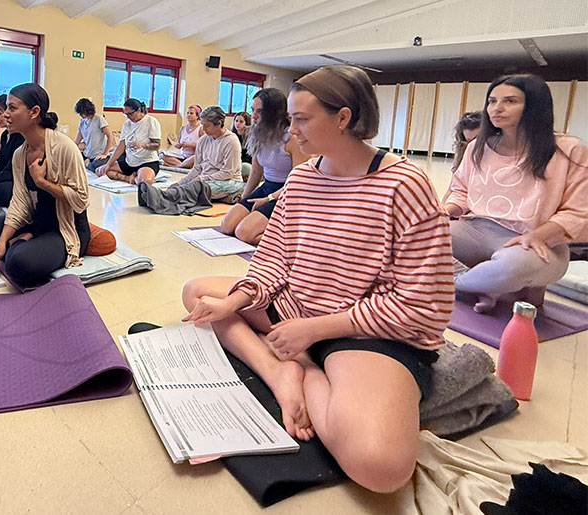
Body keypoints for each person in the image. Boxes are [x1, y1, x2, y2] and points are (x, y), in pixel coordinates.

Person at [181, 65, 454, 493]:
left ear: (343, 118)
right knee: (198, 293)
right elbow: (273, 258)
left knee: (381, 468)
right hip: (296, 309)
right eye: (290, 119)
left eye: (301, 119)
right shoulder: (304, 177)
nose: (292, 131)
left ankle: (306, 368)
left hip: (360, 330)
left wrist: (314, 331)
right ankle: (281, 374)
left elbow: (425, 305)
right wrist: (236, 301)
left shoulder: (403, 184)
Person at [443, 74, 588, 313]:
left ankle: (457, 285)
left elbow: (578, 210)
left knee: (515, 266)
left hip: (535, 239)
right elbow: (460, 191)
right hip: (476, 229)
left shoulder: (569, 149)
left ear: (534, 106)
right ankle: (483, 285)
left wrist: (539, 236)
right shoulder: (477, 147)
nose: (496, 108)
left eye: (510, 101)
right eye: (492, 101)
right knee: (414, 237)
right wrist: (443, 212)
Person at [0, 83, 90, 290]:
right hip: (35, 223)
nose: (5, 114)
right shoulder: (20, 153)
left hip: (64, 228)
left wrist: (42, 183)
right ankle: (20, 244)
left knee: (19, 264)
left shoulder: (64, 147)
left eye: (12, 108)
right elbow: (19, 202)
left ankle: (21, 247)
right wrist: (3, 241)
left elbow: (81, 200)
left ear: (34, 112)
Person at [220, 88, 310, 245]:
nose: (253, 116)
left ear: (274, 112)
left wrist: (268, 199)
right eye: (253, 110)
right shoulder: (257, 133)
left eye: (260, 111)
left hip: (286, 191)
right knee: (227, 225)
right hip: (267, 186)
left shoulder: (292, 138)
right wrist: (244, 198)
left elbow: (298, 181)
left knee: (244, 233)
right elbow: (256, 172)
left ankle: (288, 239)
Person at [168, 106, 244, 203]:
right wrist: (179, 183)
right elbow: (197, 169)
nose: (203, 129)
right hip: (205, 180)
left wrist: (202, 178)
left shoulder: (231, 141)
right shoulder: (202, 140)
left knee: (196, 190)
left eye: (206, 126)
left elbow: (228, 173)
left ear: (219, 123)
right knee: (183, 188)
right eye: (202, 125)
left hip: (229, 181)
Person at [99, 99, 162, 185]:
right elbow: (121, 146)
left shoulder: (151, 121)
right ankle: (129, 178)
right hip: (129, 162)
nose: (128, 117)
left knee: (145, 182)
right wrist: (108, 164)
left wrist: (142, 145)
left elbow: (157, 145)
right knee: (101, 171)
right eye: (126, 114)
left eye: (130, 114)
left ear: (138, 110)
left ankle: (138, 176)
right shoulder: (127, 124)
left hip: (146, 162)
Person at [74, 98, 115, 166]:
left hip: (99, 155)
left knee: (95, 166)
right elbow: (77, 140)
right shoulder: (82, 122)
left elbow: (110, 136)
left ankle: (88, 163)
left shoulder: (99, 119)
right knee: (74, 161)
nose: (80, 115)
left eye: (81, 113)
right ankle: (87, 162)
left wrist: (105, 154)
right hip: (88, 154)